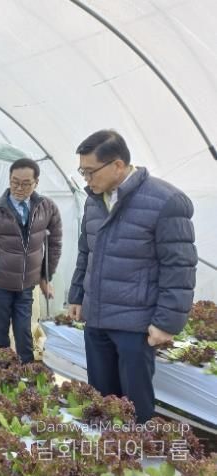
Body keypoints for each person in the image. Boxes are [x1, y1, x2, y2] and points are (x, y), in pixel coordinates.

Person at [68, 129, 197, 423]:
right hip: (96, 318)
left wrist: (166, 323)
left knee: (135, 405)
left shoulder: (166, 201)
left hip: (134, 324)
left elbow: (179, 267)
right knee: (101, 402)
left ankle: (137, 449)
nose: (86, 179)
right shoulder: (93, 200)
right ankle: (106, 449)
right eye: (82, 172)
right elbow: (86, 251)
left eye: (90, 171)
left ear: (117, 165)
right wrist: (77, 296)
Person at [0, 158, 62, 363]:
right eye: (15, 182)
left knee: (24, 331)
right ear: (9, 179)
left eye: (26, 184)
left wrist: (44, 277)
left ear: (36, 183)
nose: (19, 188)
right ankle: (1, 373)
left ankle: (26, 372)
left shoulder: (47, 208)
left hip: (26, 285)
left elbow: (54, 244)